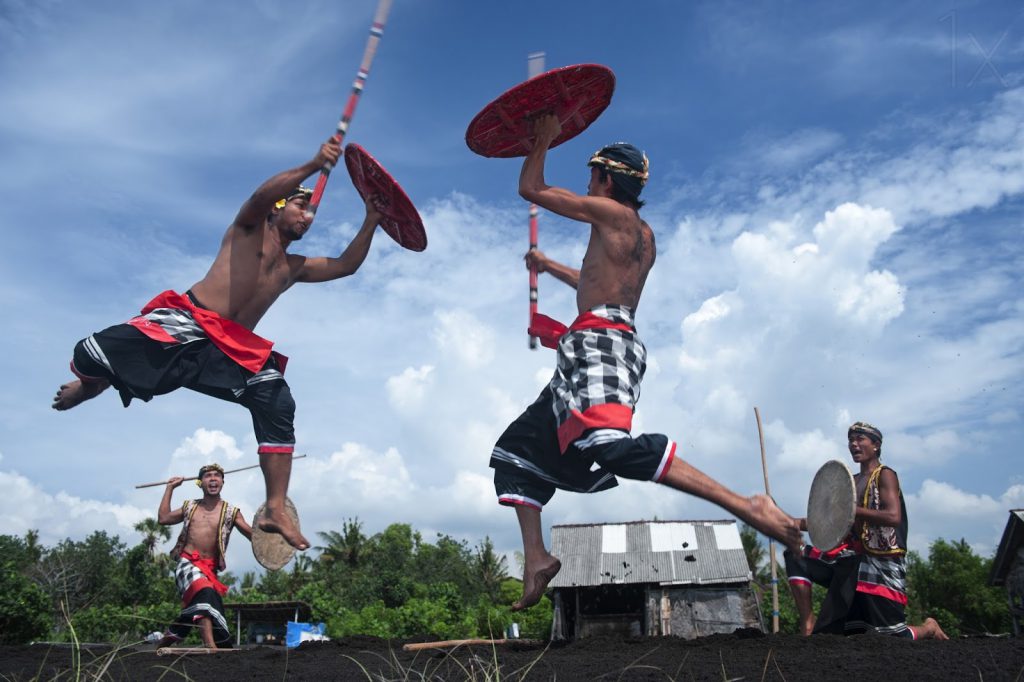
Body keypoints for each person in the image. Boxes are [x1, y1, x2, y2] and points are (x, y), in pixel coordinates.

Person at [489, 113, 803, 611]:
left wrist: (542, 140)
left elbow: (530, 186)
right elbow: (601, 285)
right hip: (603, 336)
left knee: (610, 447)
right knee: (516, 453)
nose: (586, 184)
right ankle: (536, 558)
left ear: (606, 179)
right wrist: (550, 267)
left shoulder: (608, 213)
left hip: (601, 345)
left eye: (591, 176)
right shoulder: (642, 234)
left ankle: (748, 505)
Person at [53, 138, 385, 550]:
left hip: (230, 348)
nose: (309, 217)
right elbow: (259, 196)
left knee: (276, 398)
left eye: (313, 212)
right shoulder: (247, 230)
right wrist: (314, 164)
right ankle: (91, 384)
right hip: (188, 320)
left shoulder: (293, 267)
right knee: (94, 350)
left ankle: (276, 507)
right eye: (303, 206)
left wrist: (372, 218)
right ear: (280, 208)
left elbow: (346, 265)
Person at [783, 421, 948, 639]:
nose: (854, 444)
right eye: (851, 440)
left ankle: (929, 628)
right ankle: (808, 623)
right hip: (851, 561)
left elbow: (893, 516)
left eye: (860, 439)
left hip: (881, 565)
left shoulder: (885, 475)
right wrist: (791, 523)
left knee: (891, 637)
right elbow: (830, 521)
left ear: (876, 445)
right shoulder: (849, 482)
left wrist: (852, 510)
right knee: (795, 555)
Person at [155, 464, 252, 649]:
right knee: (205, 592)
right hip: (187, 563)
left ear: (223, 482)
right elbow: (163, 518)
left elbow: (252, 535)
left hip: (210, 570)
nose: (213, 479)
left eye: (217, 476)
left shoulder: (231, 511)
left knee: (202, 603)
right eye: (208, 476)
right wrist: (170, 488)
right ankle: (210, 645)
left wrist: (271, 530)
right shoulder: (190, 506)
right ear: (200, 483)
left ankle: (168, 638)